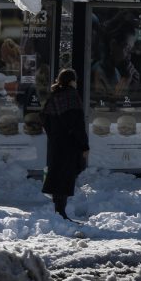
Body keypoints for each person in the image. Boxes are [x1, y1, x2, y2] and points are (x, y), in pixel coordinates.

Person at [41, 69, 90, 220]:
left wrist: (54, 135)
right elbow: (77, 124)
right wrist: (84, 145)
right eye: (75, 80)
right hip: (69, 145)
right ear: (71, 81)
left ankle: (59, 210)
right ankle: (61, 212)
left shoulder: (54, 96)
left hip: (56, 144)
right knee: (67, 175)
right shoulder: (72, 96)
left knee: (57, 175)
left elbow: (44, 119)